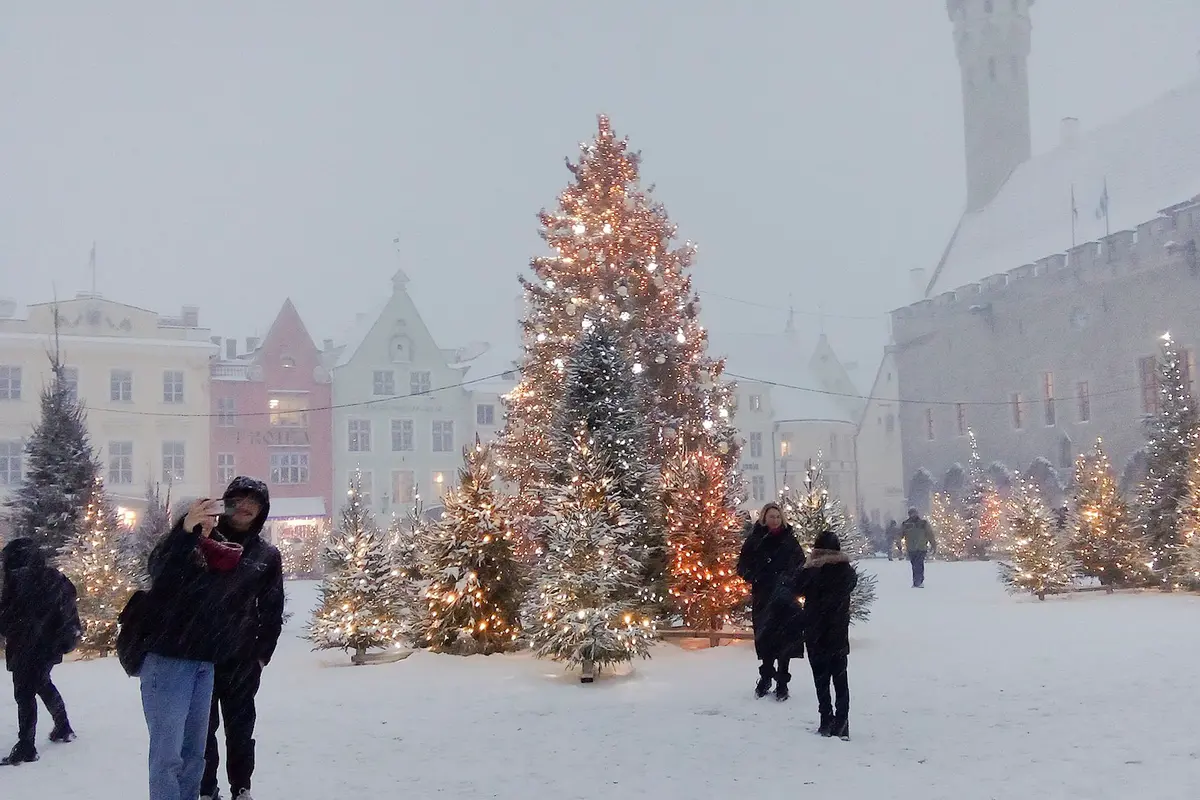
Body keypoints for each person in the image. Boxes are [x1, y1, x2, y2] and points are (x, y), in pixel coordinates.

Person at [140, 495, 247, 800]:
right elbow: (163, 574)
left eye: (213, 514)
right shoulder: (173, 549)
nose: (210, 520)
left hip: (203, 662)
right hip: (169, 662)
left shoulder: (217, 553)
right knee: (167, 755)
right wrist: (185, 532)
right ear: (186, 516)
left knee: (194, 754)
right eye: (202, 514)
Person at [201, 477, 284, 800]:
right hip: (201, 654)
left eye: (255, 502)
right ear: (226, 503)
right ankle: (206, 787)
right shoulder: (205, 541)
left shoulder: (266, 554)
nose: (246, 506)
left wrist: (262, 653)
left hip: (242, 658)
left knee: (240, 730)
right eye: (239, 499)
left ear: (262, 510)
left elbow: (272, 607)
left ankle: (241, 788)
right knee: (202, 729)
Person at [0, 538, 79, 766]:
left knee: (24, 693)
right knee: (42, 684)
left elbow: (9, 618)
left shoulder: (18, 580)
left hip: (27, 646)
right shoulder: (53, 577)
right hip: (48, 645)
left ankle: (27, 746)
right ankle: (63, 726)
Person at [736, 502, 805, 701]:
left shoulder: (790, 541)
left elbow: (800, 565)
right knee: (766, 639)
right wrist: (758, 576)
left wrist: (788, 581)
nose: (774, 520)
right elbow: (742, 567)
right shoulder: (755, 541)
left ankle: (782, 682)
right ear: (764, 518)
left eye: (777, 516)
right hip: (763, 597)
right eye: (771, 516)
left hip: (785, 598)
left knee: (785, 641)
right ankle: (765, 677)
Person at [796, 530, 858, 740]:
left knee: (820, 679)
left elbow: (796, 587)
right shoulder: (846, 571)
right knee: (840, 679)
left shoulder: (812, 571)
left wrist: (808, 565)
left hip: (815, 631)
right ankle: (842, 722)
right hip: (838, 633)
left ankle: (825, 719)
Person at [901, 507, 936, 588]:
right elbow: (900, 534)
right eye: (911, 513)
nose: (913, 515)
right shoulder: (906, 524)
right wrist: (899, 544)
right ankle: (916, 581)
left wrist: (933, 545)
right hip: (911, 548)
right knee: (914, 565)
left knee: (919, 564)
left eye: (914, 513)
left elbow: (930, 534)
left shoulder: (923, 523)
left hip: (921, 547)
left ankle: (919, 581)